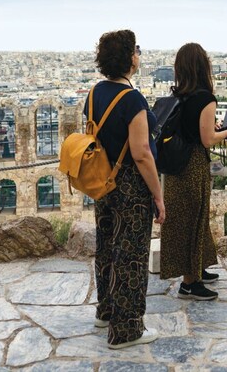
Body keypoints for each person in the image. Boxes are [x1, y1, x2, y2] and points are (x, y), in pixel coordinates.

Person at [89, 30, 165, 349]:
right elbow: (141, 152)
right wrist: (158, 195)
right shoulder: (131, 98)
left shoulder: (94, 94)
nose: (139, 54)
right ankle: (126, 328)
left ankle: (106, 310)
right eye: (136, 49)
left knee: (107, 245)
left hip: (103, 181)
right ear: (128, 57)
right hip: (131, 188)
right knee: (131, 254)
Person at [160, 43, 227, 300]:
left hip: (174, 168)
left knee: (187, 220)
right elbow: (206, 140)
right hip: (193, 165)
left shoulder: (178, 95)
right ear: (203, 66)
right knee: (195, 220)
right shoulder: (205, 98)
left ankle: (198, 269)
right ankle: (189, 283)